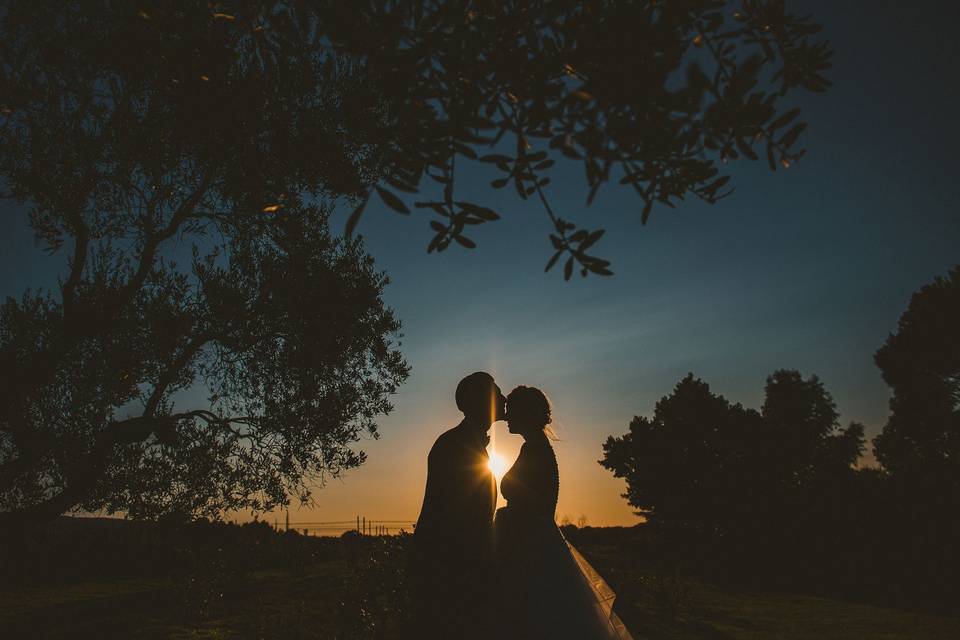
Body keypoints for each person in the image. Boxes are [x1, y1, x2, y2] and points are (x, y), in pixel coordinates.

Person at [494, 385, 633, 640]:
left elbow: (533, 500)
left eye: (510, 410)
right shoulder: (537, 447)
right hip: (535, 539)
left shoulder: (534, 449)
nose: (506, 416)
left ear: (525, 413)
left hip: (531, 545)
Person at [410, 371, 506, 639]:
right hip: (449, 572)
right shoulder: (453, 445)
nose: (504, 397)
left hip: (459, 569)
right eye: (497, 393)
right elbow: (455, 516)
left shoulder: (466, 442)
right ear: (481, 401)